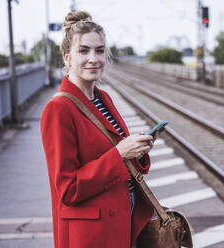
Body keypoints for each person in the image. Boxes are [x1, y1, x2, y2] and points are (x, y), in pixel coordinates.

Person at [41, 10, 156, 248]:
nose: (93, 58)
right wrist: (120, 154)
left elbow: (116, 157)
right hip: (93, 235)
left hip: (125, 222)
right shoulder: (58, 109)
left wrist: (138, 149)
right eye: (83, 51)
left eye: (100, 50)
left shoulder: (102, 98)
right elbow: (68, 189)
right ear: (67, 58)